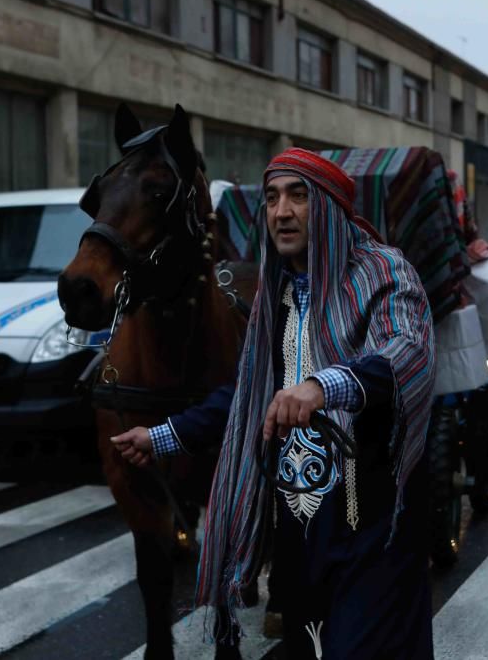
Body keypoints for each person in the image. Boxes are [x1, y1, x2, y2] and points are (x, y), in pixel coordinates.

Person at [110, 148, 437, 659]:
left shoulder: (383, 271)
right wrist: (161, 436)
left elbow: (406, 352)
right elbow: (247, 394)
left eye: (298, 196)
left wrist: (323, 386)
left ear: (328, 206)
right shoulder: (278, 293)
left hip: (372, 529)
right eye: (272, 197)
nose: (281, 211)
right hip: (302, 535)